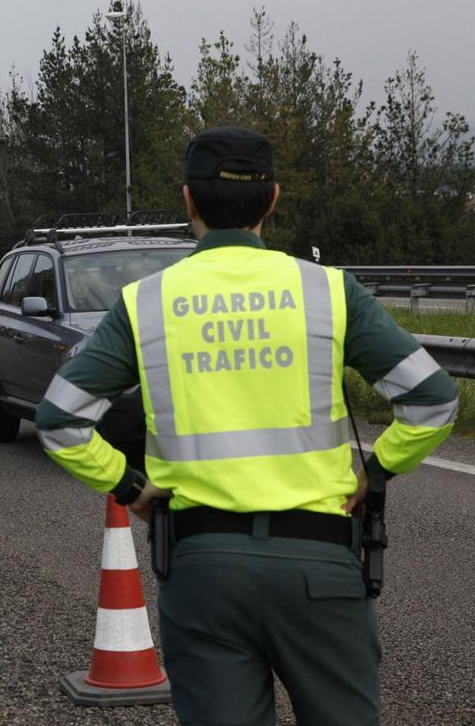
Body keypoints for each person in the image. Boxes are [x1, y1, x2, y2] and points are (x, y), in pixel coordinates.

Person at [35, 126, 458, 725]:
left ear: (187, 200)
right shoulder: (330, 292)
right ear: (274, 199)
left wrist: (131, 489)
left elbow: (59, 419)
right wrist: (377, 470)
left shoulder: (145, 302)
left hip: (204, 573)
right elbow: (433, 400)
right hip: (322, 568)